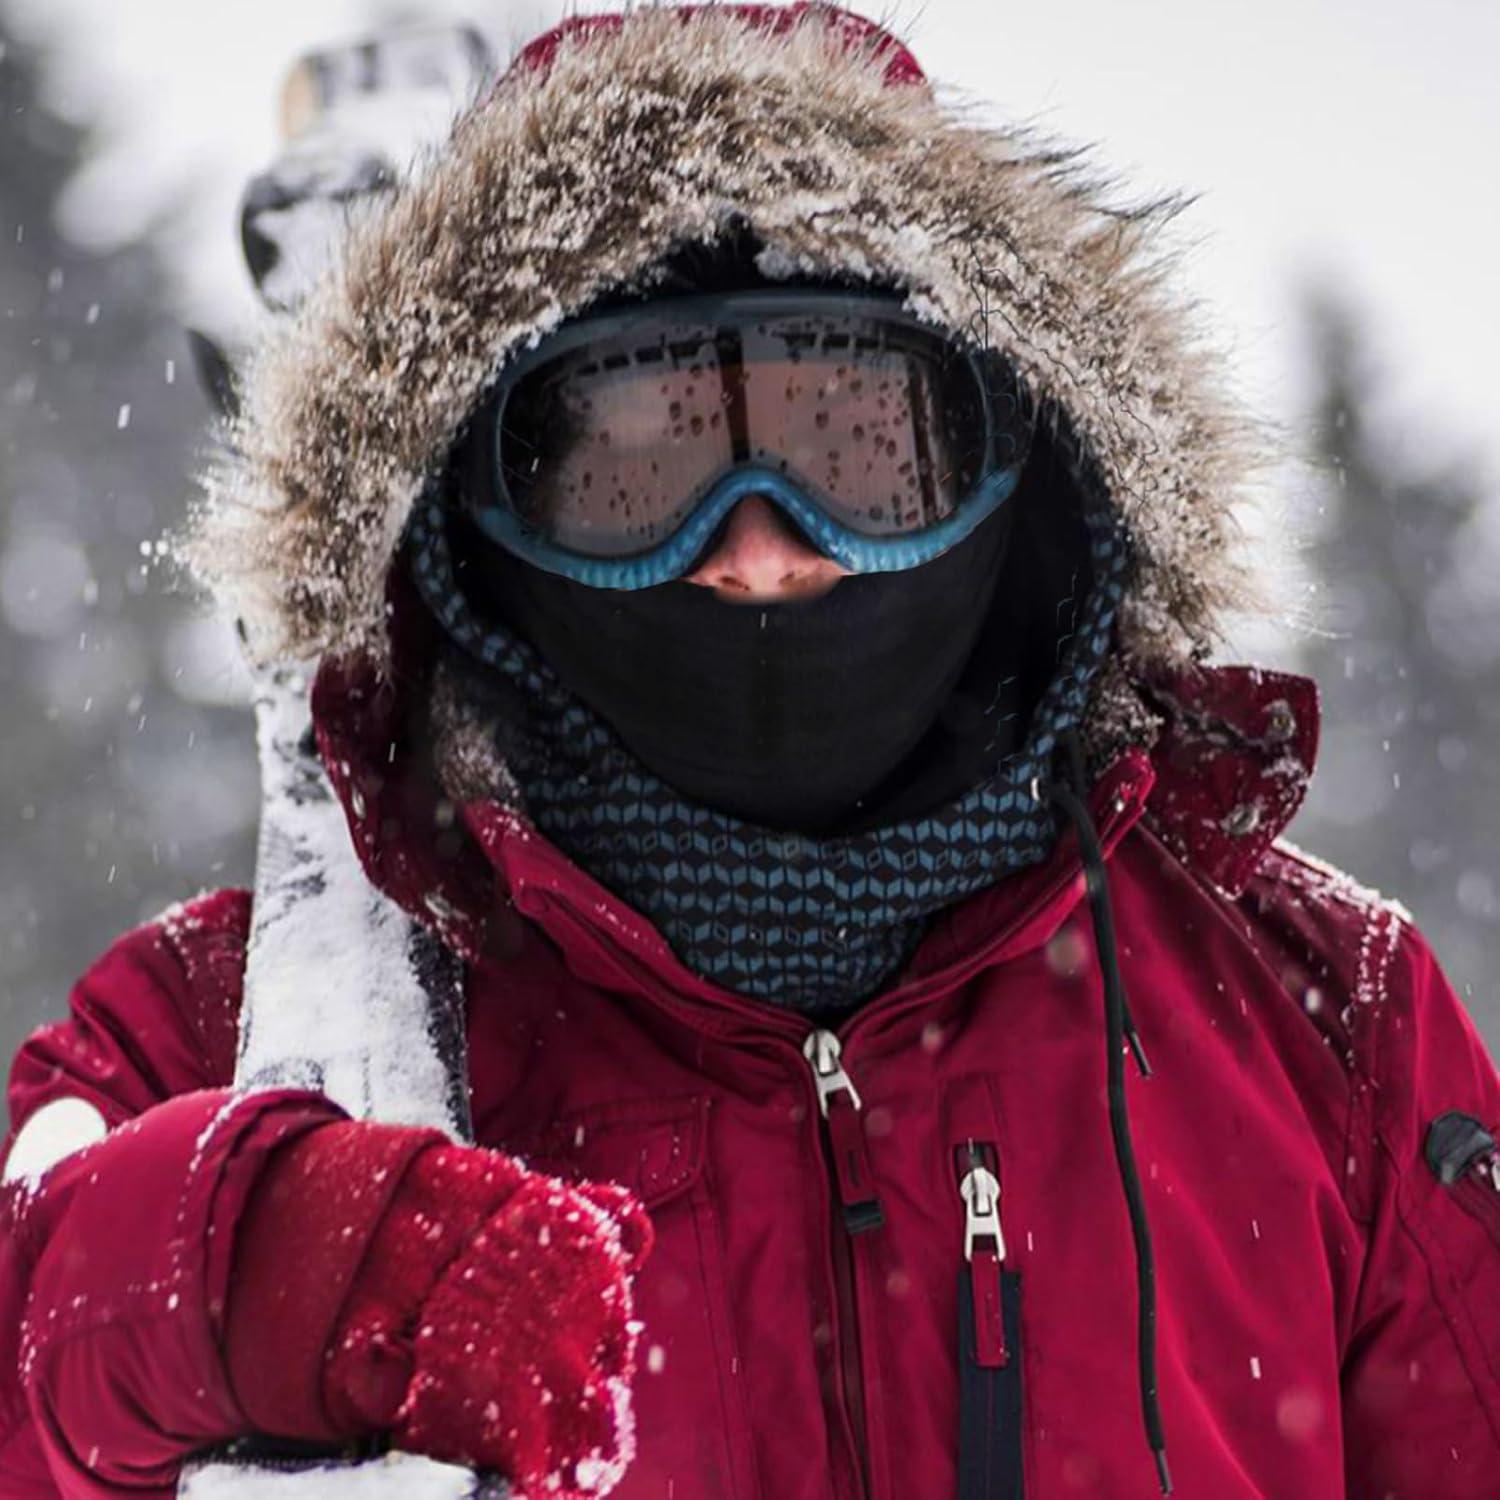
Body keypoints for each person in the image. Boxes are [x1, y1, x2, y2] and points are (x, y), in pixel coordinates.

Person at [3, 5, 1499, 1497]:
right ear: (472, 521)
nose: (764, 553)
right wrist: (219, 1268)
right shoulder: (238, 1029)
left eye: (861, 443)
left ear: (1019, 468)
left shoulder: (1321, 1023)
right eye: (637, 464)